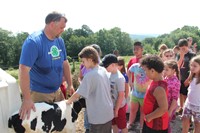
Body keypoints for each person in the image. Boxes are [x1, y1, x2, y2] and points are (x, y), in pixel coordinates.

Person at [18, 11, 74, 120]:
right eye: (61, 27)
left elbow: (65, 63)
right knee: (42, 127)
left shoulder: (59, 40)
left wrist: (70, 83)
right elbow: (23, 70)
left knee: (60, 123)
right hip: (39, 94)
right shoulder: (34, 42)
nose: (63, 30)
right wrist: (27, 99)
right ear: (52, 24)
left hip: (57, 91)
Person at [66, 46, 114, 133]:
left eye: (83, 61)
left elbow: (78, 94)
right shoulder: (103, 70)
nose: (83, 64)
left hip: (98, 116)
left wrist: (67, 102)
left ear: (90, 59)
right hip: (108, 113)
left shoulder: (90, 75)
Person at [140, 55, 168, 133]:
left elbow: (163, 108)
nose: (144, 73)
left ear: (152, 71)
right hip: (150, 122)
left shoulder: (159, 88)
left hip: (156, 126)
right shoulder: (154, 81)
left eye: (145, 70)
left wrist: (149, 117)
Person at [78, 44, 102, 133]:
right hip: (86, 91)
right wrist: (82, 83)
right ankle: (87, 127)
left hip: (95, 93)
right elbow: (80, 77)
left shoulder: (100, 67)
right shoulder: (83, 65)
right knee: (87, 109)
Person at [101, 54, 128, 133]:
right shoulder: (109, 75)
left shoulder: (119, 78)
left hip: (119, 107)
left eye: (106, 66)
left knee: (122, 126)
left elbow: (121, 95)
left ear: (113, 65)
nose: (104, 68)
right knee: (114, 124)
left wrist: (116, 110)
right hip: (111, 106)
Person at [127, 55, 151, 132]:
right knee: (133, 110)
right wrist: (130, 81)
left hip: (145, 95)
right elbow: (129, 71)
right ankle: (130, 124)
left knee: (143, 112)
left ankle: (141, 127)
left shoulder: (150, 69)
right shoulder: (135, 66)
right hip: (135, 94)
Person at [176, 38, 196, 115]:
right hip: (181, 77)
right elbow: (178, 66)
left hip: (189, 78)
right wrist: (181, 56)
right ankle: (181, 108)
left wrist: (189, 79)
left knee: (186, 96)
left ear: (187, 46)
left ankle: (187, 112)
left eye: (184, 48)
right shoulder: (179, 54)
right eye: (181, 48)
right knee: (181, 94)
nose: (182, 50)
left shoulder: (192, 55)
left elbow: (193, 68)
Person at [182, 55, 200, 133]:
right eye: (191, 65)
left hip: (198, 106)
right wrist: (189, 76)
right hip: (188, 104)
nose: (192, 67)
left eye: (195, 66)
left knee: (197, 124)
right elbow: (186, 84)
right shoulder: (192, 75)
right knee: (185, 120)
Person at [163, 60, 181, 133]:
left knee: (166, 124)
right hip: (164, 105)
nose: (164, 71)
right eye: (164, 69)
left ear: (173, 70)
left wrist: (170, 111)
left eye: (167, 69)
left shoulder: (175, 82)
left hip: (170, 106)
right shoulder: (166, 78)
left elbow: (175, 99)